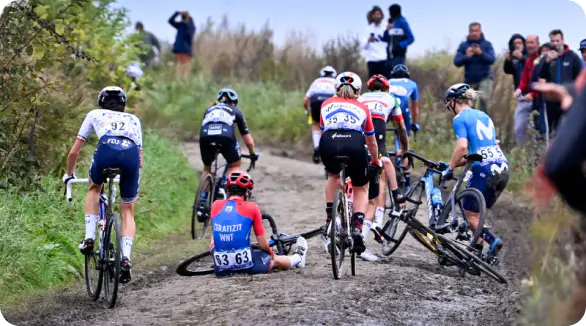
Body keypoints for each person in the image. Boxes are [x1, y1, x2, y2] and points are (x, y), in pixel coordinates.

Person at [63, 86, 143, 284]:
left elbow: (74, 152)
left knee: (94, 187)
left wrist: (69, 175)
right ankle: (125, 258)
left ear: (101, 103)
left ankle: (89, 238)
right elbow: (140, 160)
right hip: (131, 153)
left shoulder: (94, 114)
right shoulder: (134, 119)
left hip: (106, 150)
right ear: (124, 105)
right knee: (127, 209)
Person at [318, 71, 382, 255]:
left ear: (336, 88)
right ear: (358, 90)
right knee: (361, 186)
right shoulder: (362, 107)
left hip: (329, 141)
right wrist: (376, 161)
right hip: (354, 142)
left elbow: (324, 131)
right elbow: (371, 142)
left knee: (332, 175)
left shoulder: (326, 104)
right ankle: (357, 228)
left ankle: (331, 219)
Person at [441, 83, 508, 258]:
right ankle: (477, 251)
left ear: (454, 101)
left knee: (470, 213)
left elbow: (462, 146)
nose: (449, 108)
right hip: (502, 167)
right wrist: (456, 162)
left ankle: (492, 241)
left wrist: (450, 168)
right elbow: (477, 152)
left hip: (483, 168)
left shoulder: (460, 118)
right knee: (476, 214)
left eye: (449, 103)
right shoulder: (484, 116)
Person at [210, 171, 308, 277]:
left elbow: (214, 237)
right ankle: (298, 258)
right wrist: (271, 253)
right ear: (246, 192)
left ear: (228, 191)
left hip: (220, 270)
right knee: (274, 259)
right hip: (248, 267)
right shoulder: (252, 207)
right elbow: (262, 244)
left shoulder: (215, 205)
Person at [357, 74, 408, 261]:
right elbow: (400, 127)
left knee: (357, 184)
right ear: (386, 88)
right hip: (377, 140)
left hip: (355, 139)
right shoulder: (391, 98)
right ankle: (379, 217)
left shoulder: (361, 97)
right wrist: (405, 148)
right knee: (382, 174)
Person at [199, 88, 257, 181]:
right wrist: (252, 153)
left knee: (207, 168)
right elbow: (248, 140)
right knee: (235, 165)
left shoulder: (208, 109)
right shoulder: (235, 111)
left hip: (205, 136)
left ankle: (203, 194)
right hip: (225, 137)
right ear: (234, 103)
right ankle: (224, 189)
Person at [539, 29, 582, 133]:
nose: (555, 44)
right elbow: (542, 75)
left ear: (563, 40)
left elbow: (579, 78)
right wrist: (547, 62)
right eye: (552, 41)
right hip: (551, 99)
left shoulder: (572, 57)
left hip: (567, 98)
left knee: (567, 128)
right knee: (551, 129)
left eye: (557, 41)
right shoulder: (547, 57)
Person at [453, 22, 496, 113]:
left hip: (485, 77)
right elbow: (456, 62)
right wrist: (466, 56)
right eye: (472, 31)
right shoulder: (464, 46)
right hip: (470, 79)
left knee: (483, 98)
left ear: (480, 32)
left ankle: (485, 121)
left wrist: (481, 53)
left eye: (476, 31)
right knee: (469, 105)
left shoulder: (487, 45)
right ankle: (472, 124)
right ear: (469, 32)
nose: (474, 33)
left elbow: (492, 59)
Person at [388, 64, 419, 188]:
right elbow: (415, 108)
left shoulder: (388, 81)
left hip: (388, 106)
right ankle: (406, 178)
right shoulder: (412, 83)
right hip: (403, 107)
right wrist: (414, 124)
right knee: (405, 137)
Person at [303, 66, 337, 163]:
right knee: (330, 126)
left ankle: (317, 146)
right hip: (329, 101)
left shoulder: (316, 81)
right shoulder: (335, 82)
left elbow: (305, 101)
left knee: (316, 124)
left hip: (315, 101)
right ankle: (331, 148)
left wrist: (308, 111)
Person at [511, 35, 539, 145]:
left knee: (536, 131)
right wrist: (519, 89)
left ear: (537, 44)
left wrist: (533, 94)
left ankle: (539, 156)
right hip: (524, 98)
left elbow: (543, 82)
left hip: (538, 99)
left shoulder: (542, 59)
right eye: (528, 43)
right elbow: (524, 81)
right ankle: (521, 154)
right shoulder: (529, 61)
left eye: (532, 43)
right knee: (518, 129)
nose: (530, 45)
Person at [382, 4, 414, 70]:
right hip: (389, 56)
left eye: (390, 12)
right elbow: (385, 39)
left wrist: (400, 45)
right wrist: (387, 30)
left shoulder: (403, 22)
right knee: (388, 78)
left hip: (399, 56)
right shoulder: (391, 23)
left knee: (397, 75)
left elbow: (411, 38)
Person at [168, 11, 196, 80]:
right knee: (176, 70)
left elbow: (191, 32)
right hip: (177, 50)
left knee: (184, 70)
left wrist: (188, 18)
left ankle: (183, 82)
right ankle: (176, 82)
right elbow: (170, 21)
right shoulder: (180, 25)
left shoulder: (191, 26)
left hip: (185, 51)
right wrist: (177, 13)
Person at [363, 6, 389, 78]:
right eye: (375, 14)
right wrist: (368, 40)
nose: (377, 16)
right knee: (373, 84)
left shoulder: (385, 27)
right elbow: (363, 46)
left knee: (385, 83)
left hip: (384, 60)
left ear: (381, 15)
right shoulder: (368, 28)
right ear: (372, 16)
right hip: (372, 60)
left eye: (379, 14)